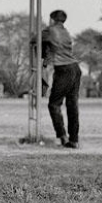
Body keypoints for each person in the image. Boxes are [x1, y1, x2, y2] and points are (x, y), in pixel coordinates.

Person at [43, 9, 82, 149]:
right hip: (75, 68)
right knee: (72, 105)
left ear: (52, 19)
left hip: (63, 69)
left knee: (54, 104)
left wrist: (43, 56)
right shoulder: (66, 32)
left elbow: (35, 39)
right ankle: (74, 140)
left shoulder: (50, 31)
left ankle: (62, 136)